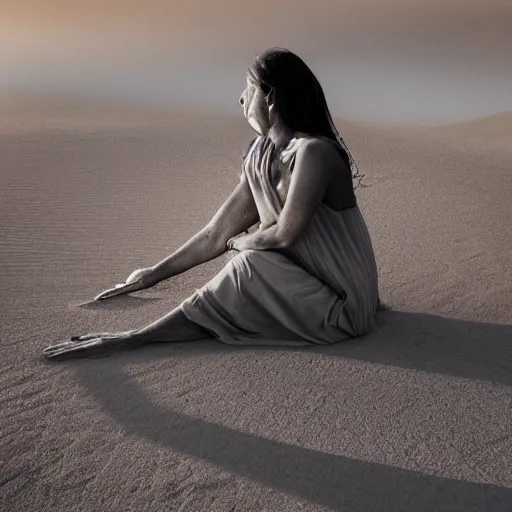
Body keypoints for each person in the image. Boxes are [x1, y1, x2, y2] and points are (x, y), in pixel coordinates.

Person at [43, 47, 381, 360]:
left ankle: (138, 337)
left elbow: (283, 235)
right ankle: (161, 328)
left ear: (271, 96)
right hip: (302, 283)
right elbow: (215, 234)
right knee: (250, 262)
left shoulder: (314, 152)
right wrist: (151, 275)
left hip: (344, 303)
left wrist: (241, 242)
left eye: (249, 88)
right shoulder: (260, 156)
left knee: (248, 265)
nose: (241, 97)